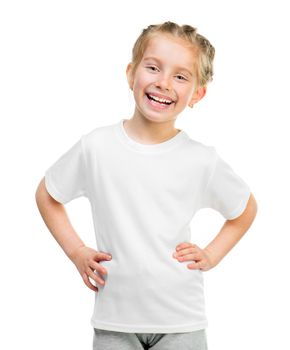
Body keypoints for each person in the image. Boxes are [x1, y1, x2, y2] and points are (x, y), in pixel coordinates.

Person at [35, 21, 258, 350]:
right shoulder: (96, 147)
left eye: (180, 76)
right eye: (153, 67)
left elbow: (245, 209)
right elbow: (48, 195)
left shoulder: (201, 160)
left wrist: (212, 254)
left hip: (182, 321)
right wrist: (77, 251)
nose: (164, 83)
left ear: (197, 93)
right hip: (114, 322)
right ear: (131, 74)